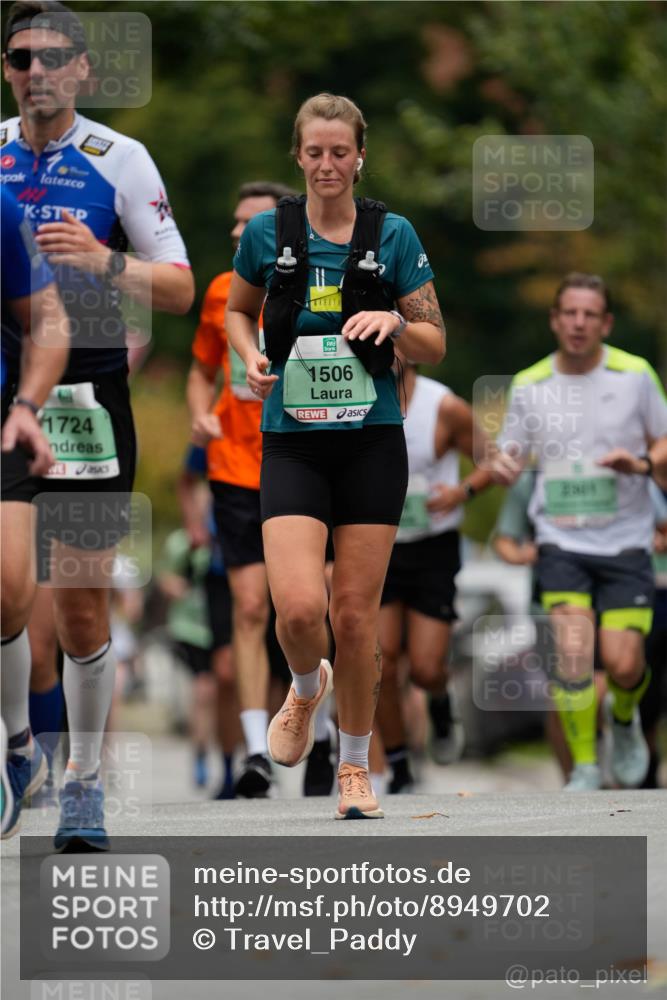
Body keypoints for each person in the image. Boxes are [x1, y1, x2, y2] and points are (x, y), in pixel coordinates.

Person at [1, 0, 194, 850]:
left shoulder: (120, 159)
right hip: (5, 393)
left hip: (86, 398)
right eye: (18, 58)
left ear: (82, 69)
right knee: (6, 589)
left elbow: (182, 287)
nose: (34, 71)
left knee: (80, 608)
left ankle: (82, 782)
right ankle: (14, 752)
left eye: (51, 58)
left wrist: (107, 259)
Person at [226, 93, 445, 819]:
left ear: (359, 157)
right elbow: (234, 309)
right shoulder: (267, 233)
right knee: (295, 611)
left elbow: (434, 341)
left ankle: (354, 769)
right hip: (293, 443)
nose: (327, 165)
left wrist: (394, 320)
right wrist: (250, 355)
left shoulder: (393, 235)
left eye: (339, 152)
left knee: (354, 619)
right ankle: (301, 681)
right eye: (314, 152)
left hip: (371, 443)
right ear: (298, 156)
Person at [492, 272, 667, 791]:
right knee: (572, 655)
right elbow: (512, 452)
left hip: (625, 540)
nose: (578, 322)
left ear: (605, 323)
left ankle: (625, 716)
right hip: (561, 541)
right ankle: (586, 767)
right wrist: (502, 465)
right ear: (554, 319)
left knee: (623, 662)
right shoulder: (530, 384)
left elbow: (662, 445)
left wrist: (639, 464)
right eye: (569, 312)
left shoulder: (634, 375)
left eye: (590, 314)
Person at [187, 181, 300, 798]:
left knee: (311, 608)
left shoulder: (313, 285)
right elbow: (201, 371)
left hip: (305, 459)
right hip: (234, 468)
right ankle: (257, 750)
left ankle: (324, 726)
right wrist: (199, 414)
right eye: (234, 223)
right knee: (252, 607)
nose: (236, 233)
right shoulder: (218, 294)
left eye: (248, 223)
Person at [375, 351, 492, 792]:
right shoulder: (353, 398)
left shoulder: (444, 407)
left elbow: (493, 461)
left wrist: (461, 491)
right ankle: (399, 762)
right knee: (380, 664)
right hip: (378, 547)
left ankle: (440, 702)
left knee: (425, 668)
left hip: (432, 548)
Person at [1, 184, 69, 838]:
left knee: (9, 591)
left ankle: (21, 745)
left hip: (3, 420)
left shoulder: (2, 209)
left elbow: (48, 319)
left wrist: (26, 405)